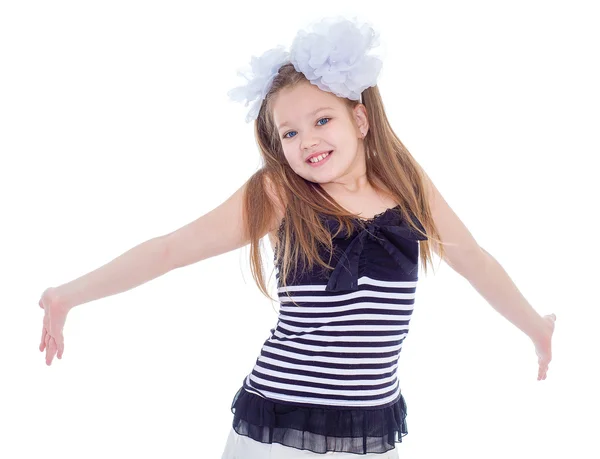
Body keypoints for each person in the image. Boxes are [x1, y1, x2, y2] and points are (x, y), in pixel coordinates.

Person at [37, 16, 557, 458]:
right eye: (289, 132)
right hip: (279, 426)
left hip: (367, 428)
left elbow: (476, 262)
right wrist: (67, 297)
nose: (307, 140)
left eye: (321, 119)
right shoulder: (281, 193)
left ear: (360, 118)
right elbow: (171, 249)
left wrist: (535, 327)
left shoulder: (408, 189)